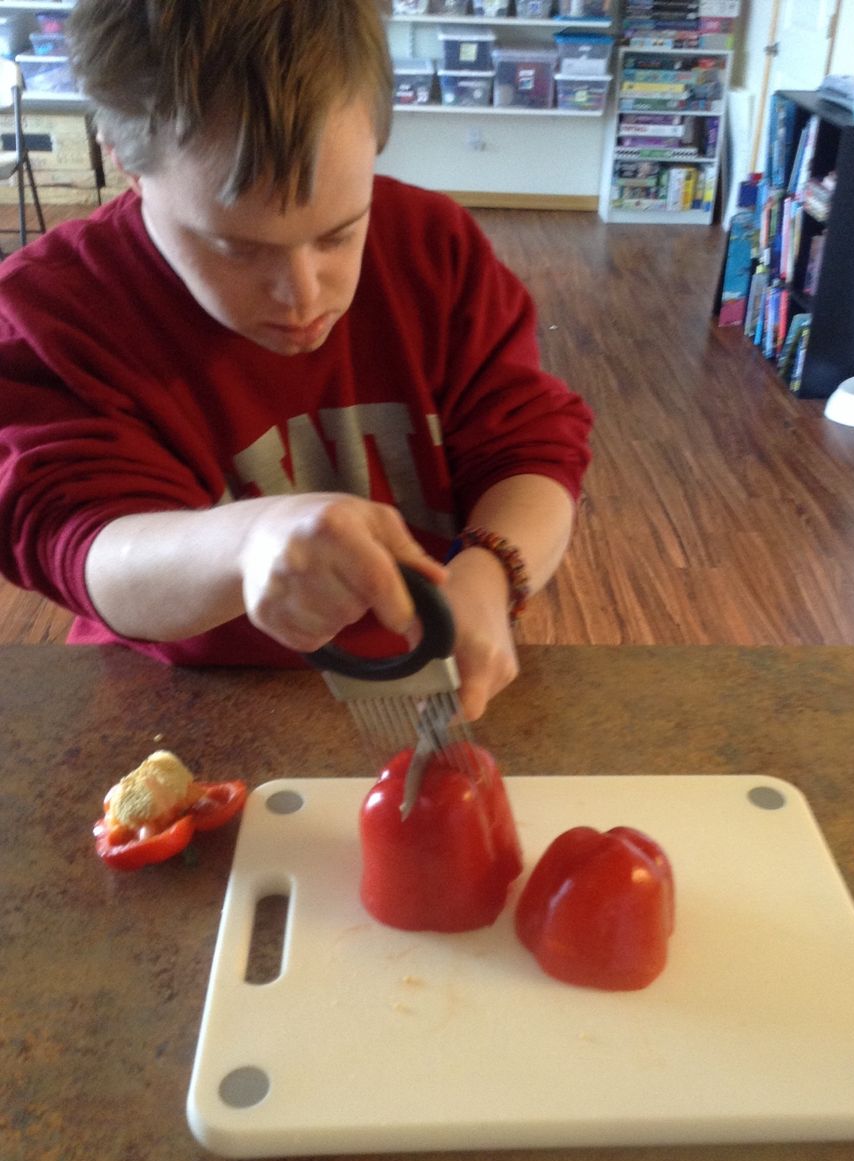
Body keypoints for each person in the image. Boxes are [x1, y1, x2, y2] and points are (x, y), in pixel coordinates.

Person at [0, 0, 591, 721]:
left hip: (422, 679)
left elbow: (529, 446)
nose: (304, 295)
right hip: (177, 700)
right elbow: (76, 540)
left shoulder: (435, 248)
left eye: (340, 234)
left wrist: (492, 568)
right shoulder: (54, 311)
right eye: (236, 247)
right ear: (123, 157)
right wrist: (248, 543)